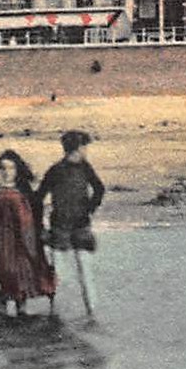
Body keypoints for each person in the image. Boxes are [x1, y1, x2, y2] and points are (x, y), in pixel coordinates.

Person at [0, 150, 57, 317]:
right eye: (3, 168)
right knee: (2, 286)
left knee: (20, 287)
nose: (6, 172)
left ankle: (20, 320)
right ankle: (3, 325)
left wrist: (40, 245)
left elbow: (33, 222)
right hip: (2, 247)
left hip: (22, 245)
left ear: (17, 170)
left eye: (11, 168)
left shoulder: (25, 193)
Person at [37, 130, 104, 319]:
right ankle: (89, 316)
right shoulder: (74, 168)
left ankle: (58, 316)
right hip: (69, 226)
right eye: (85, 147)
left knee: (68, 274)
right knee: (75, 274)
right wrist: (89, 209)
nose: (86, 150)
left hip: (68, 225)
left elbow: (38, 198)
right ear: (79, 148)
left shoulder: (63, 169)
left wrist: (89, 209)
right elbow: (99, 189)